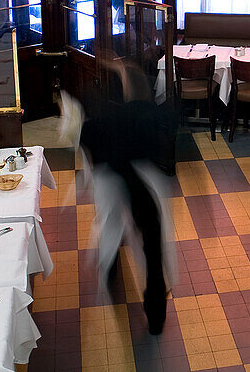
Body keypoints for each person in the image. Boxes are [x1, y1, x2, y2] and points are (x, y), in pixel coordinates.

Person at [79, 61, 176, 335]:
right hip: (145, 185)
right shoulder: (155, 115)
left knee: (110, 225)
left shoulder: (103, 121)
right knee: (153, 246)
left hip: (113, 179)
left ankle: (110, 272)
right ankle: (156, 314)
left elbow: (88, 144)